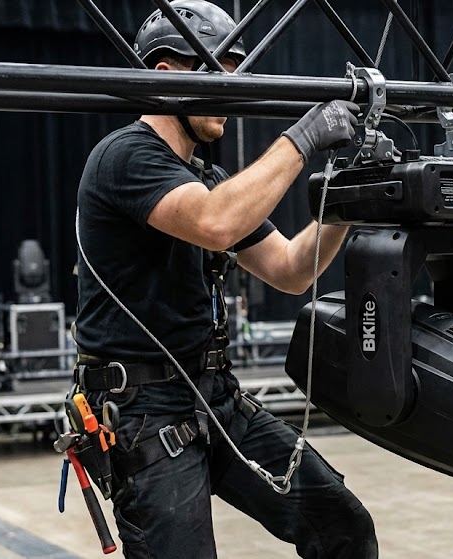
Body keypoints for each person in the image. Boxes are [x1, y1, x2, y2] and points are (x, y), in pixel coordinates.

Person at [72, 2, 378, 558]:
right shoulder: (123, 158)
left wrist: (346, 199)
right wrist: (302, 138)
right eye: (217, 75)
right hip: (146, 412)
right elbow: (216, 223)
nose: (232, 95)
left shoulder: (206, 178)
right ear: (166, 78)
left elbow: (290, 269)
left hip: (214, 399)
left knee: (342, 526)